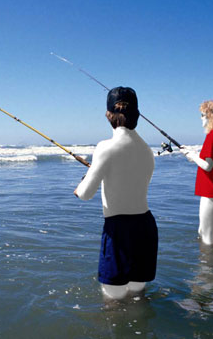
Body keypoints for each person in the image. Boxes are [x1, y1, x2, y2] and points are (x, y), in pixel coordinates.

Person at [74, 87, 158, 300]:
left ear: (108, 114)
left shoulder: (105, 147)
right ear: (137, 115)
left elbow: (85, 194)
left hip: (119, 229)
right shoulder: (147, 150)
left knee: (113, 301)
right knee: (138, 297)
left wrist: (83, 181)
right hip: (146, 228)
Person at [181, 100, 213, 245]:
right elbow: (212, 161)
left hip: (212, 194)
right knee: (203, 232)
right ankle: (210, 263)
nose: (201, 118)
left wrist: (193, 156)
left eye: (203, 115)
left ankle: (209, 266)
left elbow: (208, 166)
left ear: (212, 117)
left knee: (208, 238)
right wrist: (193, 154)